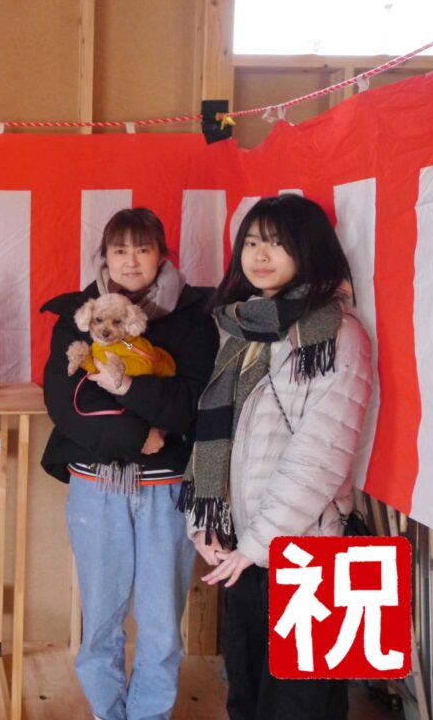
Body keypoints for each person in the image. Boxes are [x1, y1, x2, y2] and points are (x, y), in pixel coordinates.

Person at [179, 194, 373, 720]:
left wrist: (258, 543)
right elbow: (216, 436)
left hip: (309, 550)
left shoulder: (335, 334)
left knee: (300, 706)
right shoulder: (241, 332)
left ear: (310, 249)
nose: (260, 255)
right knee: (247, 696)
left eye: (278, 243)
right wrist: (205, 521)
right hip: (244, 550)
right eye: (251, 242)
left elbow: (321, 454)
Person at [40, 207, 219, 720]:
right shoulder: (79, 313)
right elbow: (66, 400)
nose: (131, 260)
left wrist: (125, 389)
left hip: (166, 488)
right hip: (97, 484)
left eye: (143, 249)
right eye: (120, 250)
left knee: (162, 620)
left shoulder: (193, 315)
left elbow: (189, 403)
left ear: (162, 254)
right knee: (100, 616)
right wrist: (141, 434)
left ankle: (149, 714)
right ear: (105, 256)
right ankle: (107, 711)